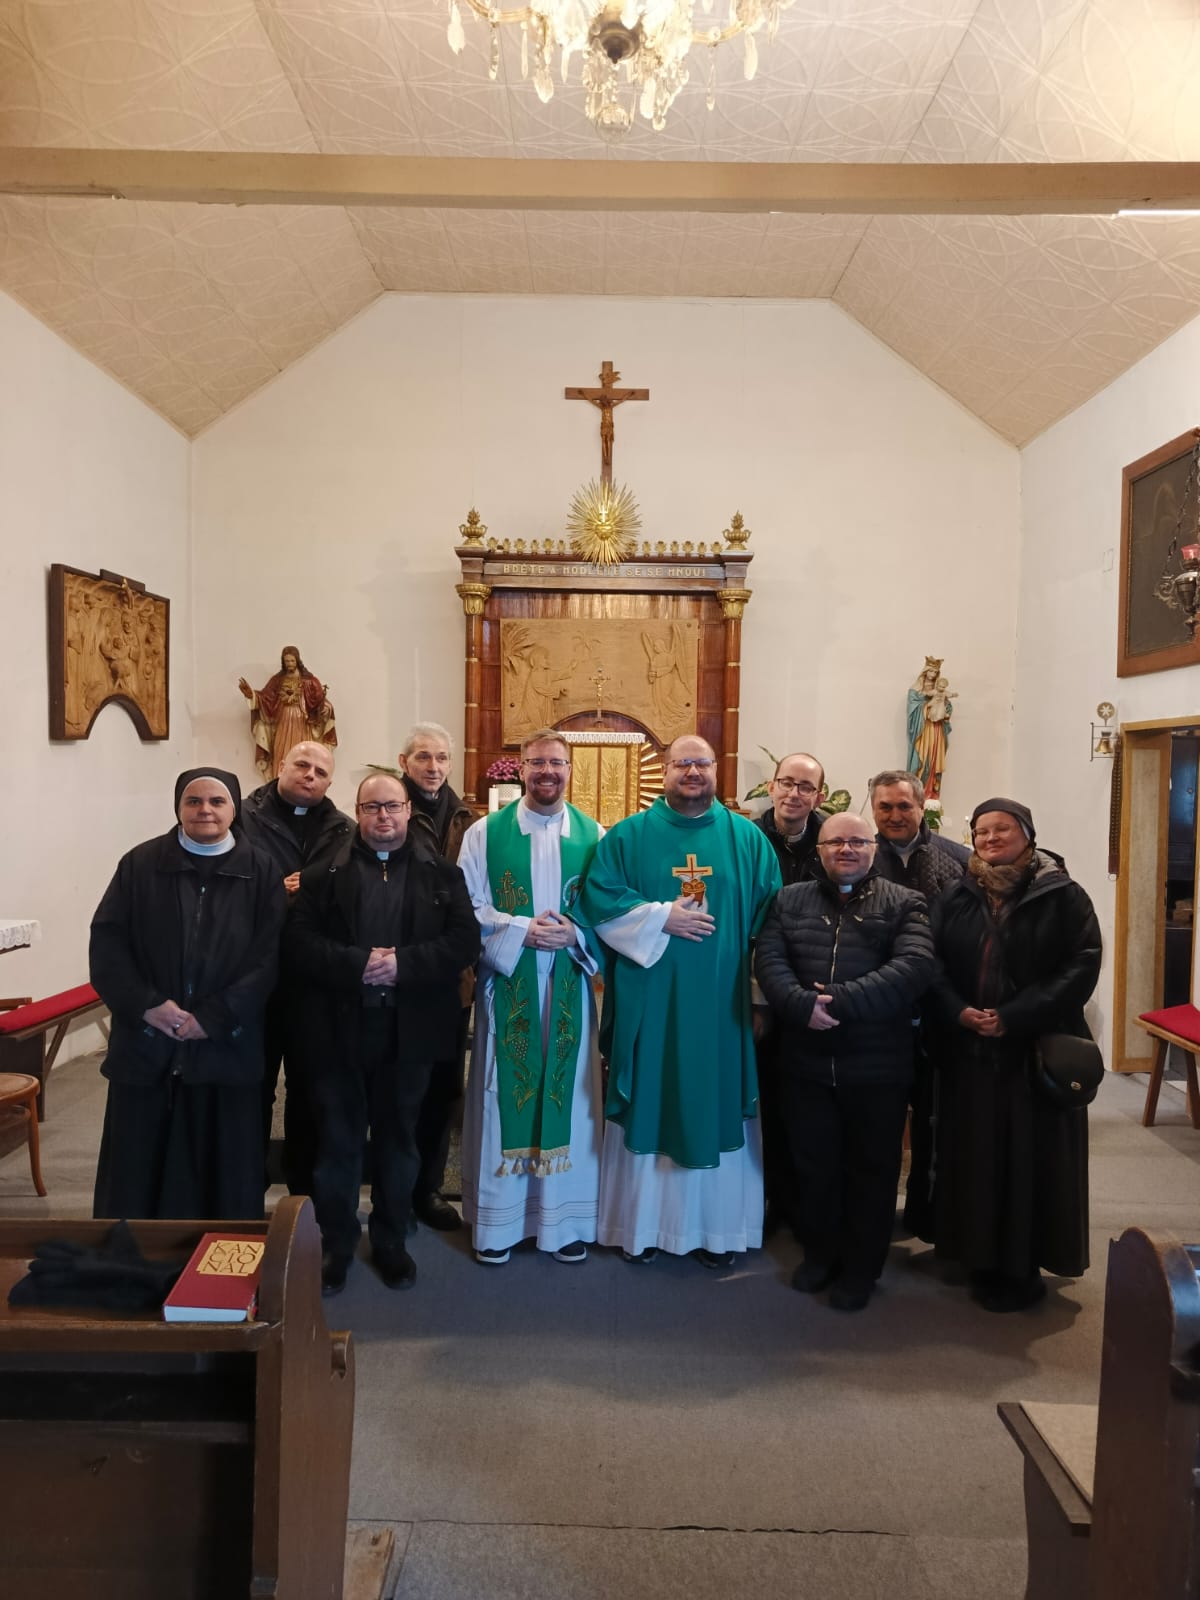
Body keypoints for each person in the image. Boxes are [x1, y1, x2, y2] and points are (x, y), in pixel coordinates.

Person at [577, 734, 782, 1268]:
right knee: (652, 1095)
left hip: (723, 1007)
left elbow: (772, 926)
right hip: (652, 1003)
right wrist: (659, 917)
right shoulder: (628, 836)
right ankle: (640, 1228)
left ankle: (717, 1233)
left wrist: (760, 999)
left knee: (713, 1099)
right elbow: (598, 899)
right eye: (682, 763)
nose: (692, 772)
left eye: (702, 763)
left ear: (716, 770)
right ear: (664, 771)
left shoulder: (747, 839)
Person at [283, 772, 479, 1295]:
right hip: (339, 1031)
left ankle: (391, 1239)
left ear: (408, 810)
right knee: (339, 1142)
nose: (383, 816)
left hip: (410, 1032)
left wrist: (403, 966)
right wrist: (359, 964)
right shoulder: (323, 875)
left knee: (399, 1142)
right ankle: (337, 1242)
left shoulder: (442, 875)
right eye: (372, 807)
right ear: (358, 812)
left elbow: (464, 941)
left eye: (392, 806)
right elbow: (298, 943)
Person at [755, 813, 934, 1311]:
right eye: (836, 842)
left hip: (877, 1064)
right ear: (820, 850)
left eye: (857, 841)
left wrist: (838, 1000)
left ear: (873, 848)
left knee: (871, 1169)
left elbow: (914, 966)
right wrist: (799, 1005)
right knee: (814, 1165)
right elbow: (770, 960)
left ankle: (860, 1269)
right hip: (806, 1063)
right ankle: (820, 1256)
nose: (847, 849)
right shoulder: (789, 901)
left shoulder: (905, 902)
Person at [929, 798, 1102, 1312]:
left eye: (1001, 829)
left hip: (1033, 1048)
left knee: (1028, 1161)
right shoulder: (958, 893)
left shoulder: (1062, 894)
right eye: (981, 831)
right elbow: (930, 961)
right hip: (970, 1048)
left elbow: (1083, 964)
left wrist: (1015, 1015)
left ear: (1027, 834)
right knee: (977, 1156)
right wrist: (958, 1011)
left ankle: (1021, 1268)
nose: (989, 839)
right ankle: (978, 1256)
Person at [90, 769, 286, 1220]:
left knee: (221, 1167)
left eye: (217, 801)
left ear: (234, 809)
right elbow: (108, 945)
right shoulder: (139, 865)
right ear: (178, 807)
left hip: (225, 1045)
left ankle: (218, 1258)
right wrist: (147, 1006)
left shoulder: (261, 870)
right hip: (148, 1042)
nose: (205, 810)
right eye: (193, 801)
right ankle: (134, 1254)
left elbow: (270, 957)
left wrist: (214, 1017)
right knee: (139, 1165)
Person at [459, 729, 605, 1265]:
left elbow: (608, 908)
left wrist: (575, 934)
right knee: (504, 1094)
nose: (547, 771)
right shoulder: (485, 832)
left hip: (568, 981)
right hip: (509, 980)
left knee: (572, 1098)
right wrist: (522, 929)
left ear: (570, 770)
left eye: (557, 763)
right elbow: (467, 904)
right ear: (520, 768)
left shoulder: (595, 835)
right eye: (537, 762)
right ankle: (499, 1227)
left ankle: (564, 1223)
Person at [238, 741, 351, 1195]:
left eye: (321, 772)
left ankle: (303, 1196)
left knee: (309, 1090)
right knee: (253, 1086)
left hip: (314, 983)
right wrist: (276, 893)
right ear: (280, 765)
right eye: (302, 765)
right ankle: (246, 1187)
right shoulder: (241, 817)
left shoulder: (343, 828)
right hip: (256, 977)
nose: (310, 776)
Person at [868, 767, 969, 1236]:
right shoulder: (860, 856)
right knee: (879, 1121)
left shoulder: (959, 860)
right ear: (873, 809)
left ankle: (929, 1217)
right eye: (884, 806)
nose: (894, 815)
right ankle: (875, 1216)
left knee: (936, 1118)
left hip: (938, 1009)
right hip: (879, 1012)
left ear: (921, 805)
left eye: (903, 805)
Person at [398, 721, 477, 1233]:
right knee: (399, 1087)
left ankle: (427, 1188)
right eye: (423, 757)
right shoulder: (388, 807)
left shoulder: (470, 820)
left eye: (442, 757)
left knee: (443, 1088)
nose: (433, 766)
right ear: (404, 762)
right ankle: (394, 1188)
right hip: (399, 972)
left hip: (451, 978)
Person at [753, 751, 827, 1237]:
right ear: (772, 787)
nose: (793, 793)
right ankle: (767, 1197)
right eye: (786, 783)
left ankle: (805, 1203)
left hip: (816, 988)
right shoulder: (746, 838)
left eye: (805, 786)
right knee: (766, 1097)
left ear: (819, 796)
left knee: (809, 1104)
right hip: (761, 985)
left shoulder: (834, 838)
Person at [238, 645, 337, 781]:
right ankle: (280, 781)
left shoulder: (309, 680)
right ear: (283, 662)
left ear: (297, 661)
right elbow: (265, 698)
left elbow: (320, 701)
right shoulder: (277, 680)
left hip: (302, 723)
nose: (289, 664)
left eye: (292, 660)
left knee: (302, 753)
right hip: (283, 721)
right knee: (281, 751)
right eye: (287, 661)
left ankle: (302, 780)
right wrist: (251, 695)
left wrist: (326, 708)